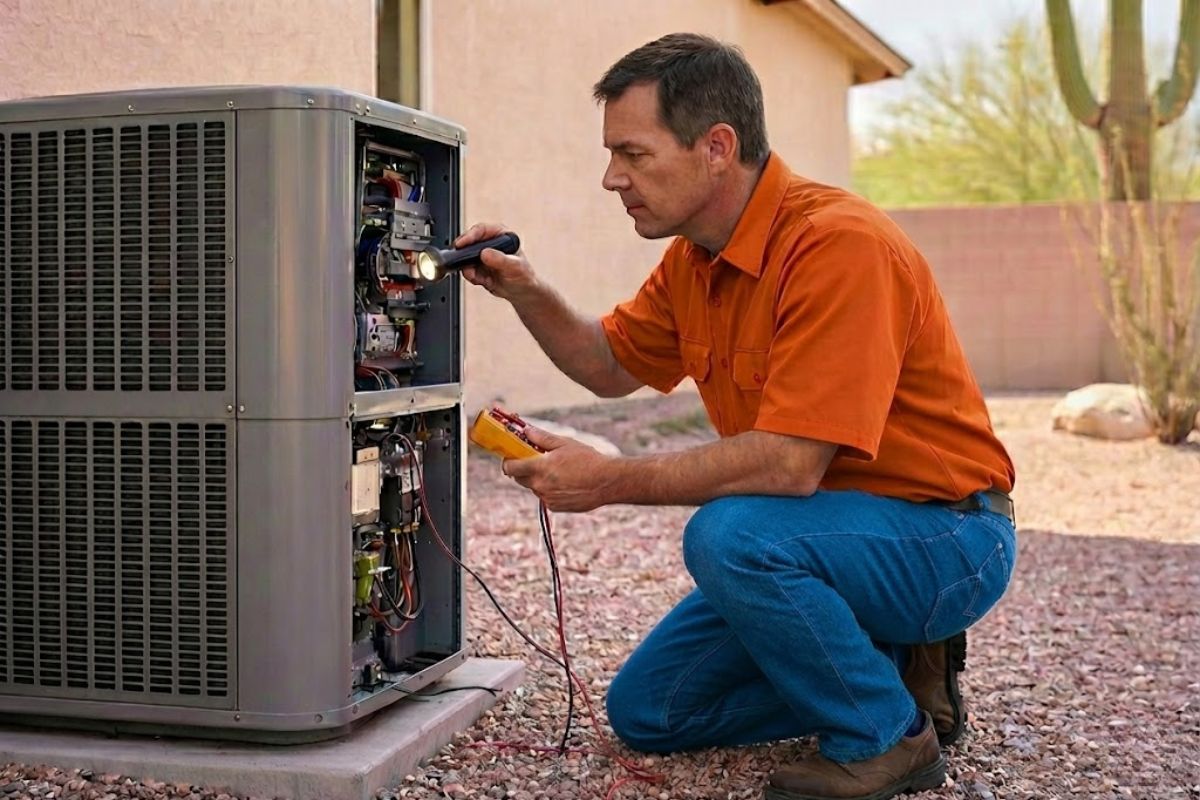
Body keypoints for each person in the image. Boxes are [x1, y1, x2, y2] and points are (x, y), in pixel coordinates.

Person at [456, 32, 1016, 800]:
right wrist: (524, 289)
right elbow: (608, 364)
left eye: (633, 154)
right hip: (818, 537)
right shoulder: (695, 260)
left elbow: (790, 464)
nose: (612, 177)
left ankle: (890, 738)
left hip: (946, 535)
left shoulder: (838, 246)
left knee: (731, 535)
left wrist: (609, 480)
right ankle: (885, 664)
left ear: (716, 147)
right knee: (651, 710)